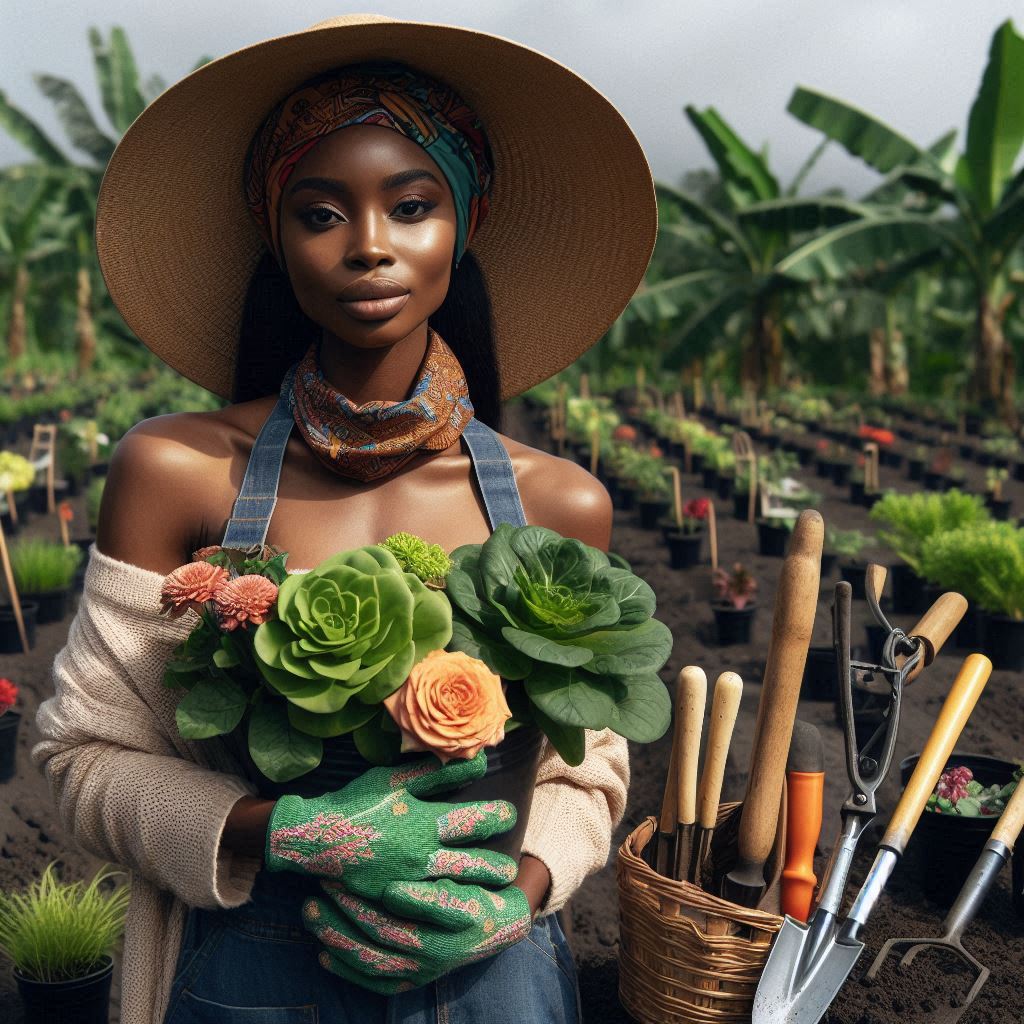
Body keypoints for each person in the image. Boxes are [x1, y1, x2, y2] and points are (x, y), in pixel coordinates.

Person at [32, 14, 657, 1024]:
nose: (370, 246)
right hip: (250, 966)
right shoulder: (178, 470)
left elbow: (584, 775)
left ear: (468, 218)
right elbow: (78, 757)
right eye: (320, 215)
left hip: (489, 971)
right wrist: (283, 828)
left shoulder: (555, 504)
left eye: (411, 207)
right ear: (276, 240)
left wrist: (521, 892)